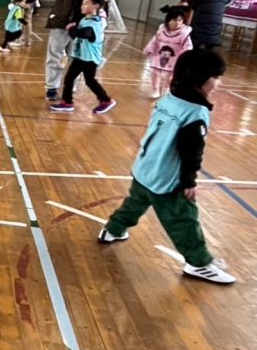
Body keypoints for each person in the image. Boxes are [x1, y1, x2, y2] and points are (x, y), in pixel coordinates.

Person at [99, 50, 236, 284]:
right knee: (184, 220)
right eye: (215, 78)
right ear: (199, 78)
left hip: (144, 166)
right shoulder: (195, 112)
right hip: (165, 178)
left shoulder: (169, 97)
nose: (218, 83)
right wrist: (189, 182)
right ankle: (199, 264)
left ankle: (112, 230)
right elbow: (191, 152)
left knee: (134, 203)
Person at [43, 0, 103, 101]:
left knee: (76, 57)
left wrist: (96, 17)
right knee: (54, 55)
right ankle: (51, 87)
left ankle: (71, 85)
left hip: (82, 23)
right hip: (61, 20)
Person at [50, 0, 115, 114]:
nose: (82, 5)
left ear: (96, 6)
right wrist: (73, 27)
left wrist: (71, 28)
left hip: (89, 59)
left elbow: (82, 33)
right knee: (69, 78)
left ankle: (106, 100)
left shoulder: (96, 23)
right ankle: (67, 102)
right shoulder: (85, 19)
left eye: (86, 3)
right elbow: (76, 32)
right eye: (82, 3)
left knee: (89, 81)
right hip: (80, 56)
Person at [144, 7, 193, 98]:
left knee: (171, 76)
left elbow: (188, 46)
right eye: (174, 20)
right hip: (159, 55)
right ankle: (156, 90)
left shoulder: (184, 34)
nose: (177, 23)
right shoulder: (161, 31)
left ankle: (168, 90)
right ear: (168, 20)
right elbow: (155, 41)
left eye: (180, 20)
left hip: (175, 58)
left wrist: (184, 56)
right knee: (155, 72)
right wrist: (149, 49)